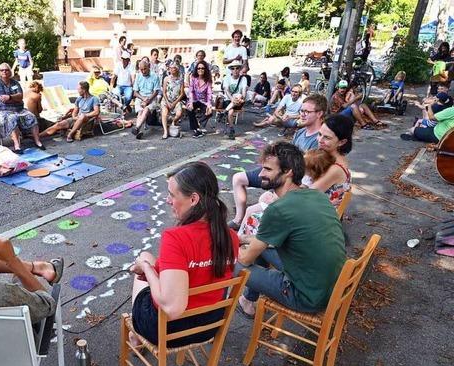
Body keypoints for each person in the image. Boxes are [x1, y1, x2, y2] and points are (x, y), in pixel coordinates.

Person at [128, 162, 239, 347]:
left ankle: (136, 335)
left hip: (168, 331)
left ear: (194, 199)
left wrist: (146, 268)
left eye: (172, 195)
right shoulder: (231, 237)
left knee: (145, 259)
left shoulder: (175, 238)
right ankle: (136, 335)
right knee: (150, 260)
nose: (167, 200)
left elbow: (172, 308)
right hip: (209, 325)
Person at [235, 142, 346, 317]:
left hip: (304, 296)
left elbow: (245, 259)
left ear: (288, 172)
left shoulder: (279, 209)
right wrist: (247, 240)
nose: (261, 174)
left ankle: (211, 317)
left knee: (231, 263)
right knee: (258, 250)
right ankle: (247, 301)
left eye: (267, 169)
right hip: (330, 287)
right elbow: (278, 241)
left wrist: (233, 246)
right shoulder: (317, 195)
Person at [228, 94, 326, 230]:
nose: (302, 114)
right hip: (279, 169)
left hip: (289, 177)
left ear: (319, 113)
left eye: (307, 111)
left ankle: (245, 233)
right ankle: (239, 220)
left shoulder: (320, 140)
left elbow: (308, 176)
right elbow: (288, 156)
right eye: (301, 111)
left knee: (257, 205)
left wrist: (276, 193)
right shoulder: (300, 132)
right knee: (238, 178)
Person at [0, 63, 44, 151]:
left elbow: (20, 96)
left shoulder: (15, 82)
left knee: (31, 116)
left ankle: (37, 141)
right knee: (13, 118)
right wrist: (15, 98)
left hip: (19, 109)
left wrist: (10, 97)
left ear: (10, 72)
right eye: (2, 70)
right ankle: (17, 145)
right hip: (3, 110)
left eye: (6, 70)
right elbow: (3, 99)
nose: (4, 71)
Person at [308, 114, 353, 209]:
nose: (320, 140)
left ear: (342, 142)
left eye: (327, 137)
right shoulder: (330, 157)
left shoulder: (335, 168)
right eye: (319, 134)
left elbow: (306, 197)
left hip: (321, 219)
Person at [131, 61, 161, 139]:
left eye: (145, 69)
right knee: (140, 111)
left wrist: (148, 100)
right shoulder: (138, 76)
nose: (143, 71)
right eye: (141, 70)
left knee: (146, 110)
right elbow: (135, 93)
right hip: (141, 97)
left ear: (149, 67)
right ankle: (138, 129)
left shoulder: (155, 76)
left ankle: (137, 128)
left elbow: (156, 91)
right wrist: (143, 99)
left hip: (151, 97)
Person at [219, 60, 247, 139]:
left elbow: (244, 91)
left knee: (239, 95)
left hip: (239, 101)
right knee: (230, 111)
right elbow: (226, 90)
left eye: (237, 68)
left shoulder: (243, 78)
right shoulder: (227, 78)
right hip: (229, 100)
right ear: (231, 69)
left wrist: (243, 98)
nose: (235, 70)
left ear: (240, 69)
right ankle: (231, 129)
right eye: (233, 68)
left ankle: (224, 112)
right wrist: (232, 99)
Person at [186, 60, 213, 139]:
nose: (200, 70)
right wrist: (190, 102)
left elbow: (209, 94)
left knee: (209, 112)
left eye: (202, 68)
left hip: (203, 101)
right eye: (198, 68)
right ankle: (196, 129)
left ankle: (199, 123)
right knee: (189, 109)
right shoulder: (194, 78)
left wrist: (209, 105)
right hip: (194, 99)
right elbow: (191, 91)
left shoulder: (208, 80)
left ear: (205, 70)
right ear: (196, 70)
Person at [160, 61, 185, 140]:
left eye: (174, 68)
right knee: (164, 112)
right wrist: (167, 102)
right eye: (171, 68)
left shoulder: (181, 79)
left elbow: (182, 93)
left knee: (179, 113)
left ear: (177, 69)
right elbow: (164, 92)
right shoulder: (166, 78)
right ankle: (165, 131)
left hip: (176, 100)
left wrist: (174, 103)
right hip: (166, 99)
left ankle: (172, 122)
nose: (172, 69)